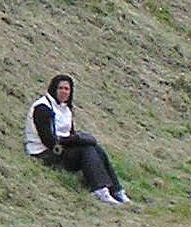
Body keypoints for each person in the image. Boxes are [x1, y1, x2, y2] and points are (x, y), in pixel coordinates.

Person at [23, 74, 128, 204]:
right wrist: (76, 140)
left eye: (67, 89)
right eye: (60, 88)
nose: (64, 92)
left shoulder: (66, 108)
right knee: (86, 149)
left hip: (60, 149)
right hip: (43, 152)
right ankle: (99, 189)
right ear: (53, 89)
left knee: (96, 148)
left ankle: (116, 190)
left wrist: (77, 139)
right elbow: (48, 140)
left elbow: (70, 133)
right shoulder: (43, 108)